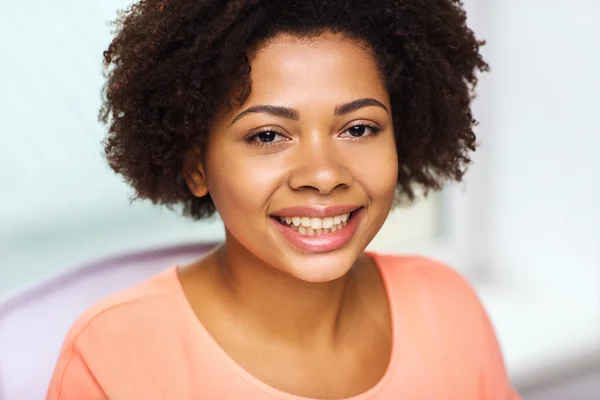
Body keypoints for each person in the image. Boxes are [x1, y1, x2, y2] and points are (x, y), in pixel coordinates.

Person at [47, 0, 520, 398]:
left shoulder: (447, 307)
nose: (324, 175)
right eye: (269, 134)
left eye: (358, 128)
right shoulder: (111, 358)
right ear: (196, 167)